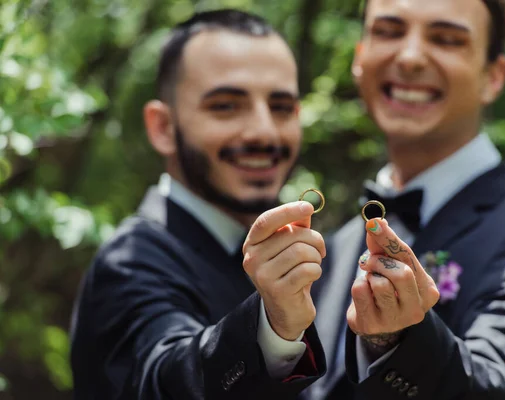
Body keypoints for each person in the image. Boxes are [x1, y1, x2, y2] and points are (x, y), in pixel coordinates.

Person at [305, 0, 505, 399]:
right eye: (389, 31)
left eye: (446, 39)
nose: (409, 57)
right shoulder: (335, 248)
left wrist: (398, 340)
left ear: (493, 76)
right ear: (360, 58)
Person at [69, 9, 327, 399]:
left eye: (281, 107)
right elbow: (161, 377)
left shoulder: (311, 254)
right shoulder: (128, 263)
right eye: (225, 105)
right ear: (163, 128)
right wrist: (272, 326)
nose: (263, 131)